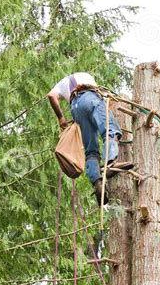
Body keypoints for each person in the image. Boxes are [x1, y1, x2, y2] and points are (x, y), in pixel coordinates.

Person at [48, 72, 133, 204]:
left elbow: (51, 96)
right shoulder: (86, 76)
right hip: (89, 97)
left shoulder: (61, 84)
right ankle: (109, 163)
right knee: (110, 130)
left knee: (90, 150)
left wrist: (61, 118)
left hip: (75, 108)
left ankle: (96, 181)